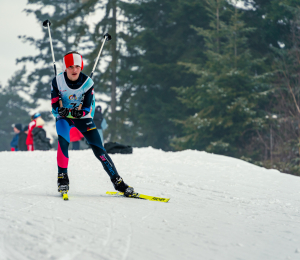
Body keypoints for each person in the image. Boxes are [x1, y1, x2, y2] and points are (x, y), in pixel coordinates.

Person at [51, 51, 134, 196]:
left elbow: (87, 107)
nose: (74, 70)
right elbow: (53, 105)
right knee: (63, 142)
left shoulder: (87, 82)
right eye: (70, 67)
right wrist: (60, 110)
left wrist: (79, 113)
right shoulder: (57, 81)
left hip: (83, 118)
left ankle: (118, 182)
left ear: (81, 67)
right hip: (64, 117)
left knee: (99, 149)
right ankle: (62, 178)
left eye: (77, 66)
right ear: (65, 68)